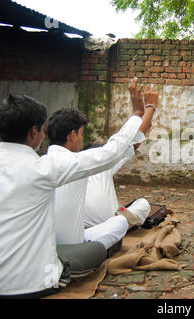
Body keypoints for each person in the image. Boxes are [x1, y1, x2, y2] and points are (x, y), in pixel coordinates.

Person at [0, 78, 157, 298]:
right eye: (41, 129)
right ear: (34, 131)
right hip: (33, 284)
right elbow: (112, 151)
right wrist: (139, 112)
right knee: (95, 249)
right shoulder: (45, 168)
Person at [48, 78, 156, 253]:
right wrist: (145, 110)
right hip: (77, 241)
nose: (82, 140)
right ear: (72, 135)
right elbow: (115, 149)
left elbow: (128, 145)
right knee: (119, 223)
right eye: (81, 134)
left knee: (135, 209)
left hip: (64, 238)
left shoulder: (42, 164)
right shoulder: (80, 162)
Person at [82, 142, 151, 232]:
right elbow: (133, 146)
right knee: (143, 204)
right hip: (109, 227)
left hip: (84, 229)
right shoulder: (105, 167)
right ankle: (126, 224)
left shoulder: (73, 172)